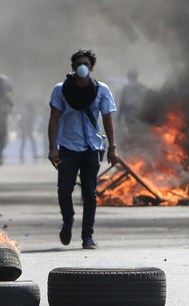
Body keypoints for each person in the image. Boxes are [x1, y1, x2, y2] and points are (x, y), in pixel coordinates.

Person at [47, 49, 119, 249]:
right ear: (73, 67)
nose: (82, 66)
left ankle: (87, 236)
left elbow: (107, 118)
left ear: (92, 67)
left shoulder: (102, 90)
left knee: (90, 193)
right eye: (79, 63)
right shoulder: (60, 90)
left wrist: (112, 147)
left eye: (86, 64)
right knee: (64, 189)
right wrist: (53, 148)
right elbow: (53, 119)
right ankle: (68, 220)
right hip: (68, 149)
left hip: (91, 149)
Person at [117, 69, 147, 135]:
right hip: (132, 119)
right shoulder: (127, 89)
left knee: (138, 136)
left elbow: (122, 105)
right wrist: (119, 119)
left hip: (138, 118)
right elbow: (122, 104)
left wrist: (119, 118)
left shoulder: (143, 88)